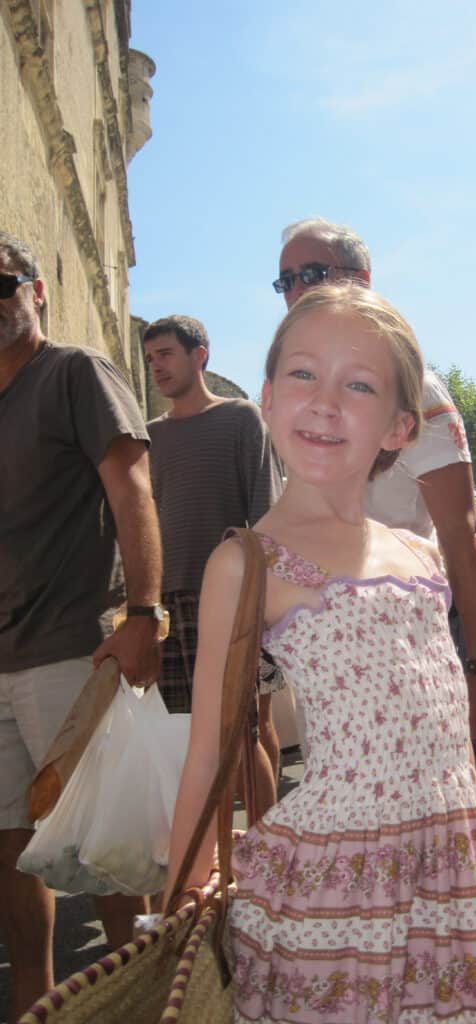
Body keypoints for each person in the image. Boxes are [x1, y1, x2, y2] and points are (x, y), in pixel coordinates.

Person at [165, 284, 476, 1023]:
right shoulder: (249, 564)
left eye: (360, 384)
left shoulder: (419, 551)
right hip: (343, 881)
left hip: (455, 855)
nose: (326, 401)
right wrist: (180, 898)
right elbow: (208, 753)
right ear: (269, 399)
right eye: (304, 374)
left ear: (402, 426)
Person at [0, 231, 163, 1019]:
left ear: (37, 290)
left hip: (72, 646)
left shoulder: (74, 373)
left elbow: (133, 491)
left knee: (104, 846)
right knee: (12, 848)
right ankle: (35, 1004)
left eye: (3, 284)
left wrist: (143, 613)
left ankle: (135, 994)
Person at [275, 218, 476, 740]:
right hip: (330, 652)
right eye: (284, 280)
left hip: (412, 639)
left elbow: (462, 535)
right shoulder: (298, 394)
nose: (296, 291)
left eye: (310, 272)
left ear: (361, 278)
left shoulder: (412, 387)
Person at [144, 315, 281, 808]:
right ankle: (218, 862)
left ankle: (269, 860)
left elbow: (266, 513)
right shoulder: (149, 436)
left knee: (241, 739)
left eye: (165, 354)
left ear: (199, 354)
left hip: (229, 601)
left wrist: (260, 602)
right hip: (168, 604)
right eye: (151, 357)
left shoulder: (242, 418)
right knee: (193, 745)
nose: (156, 366)